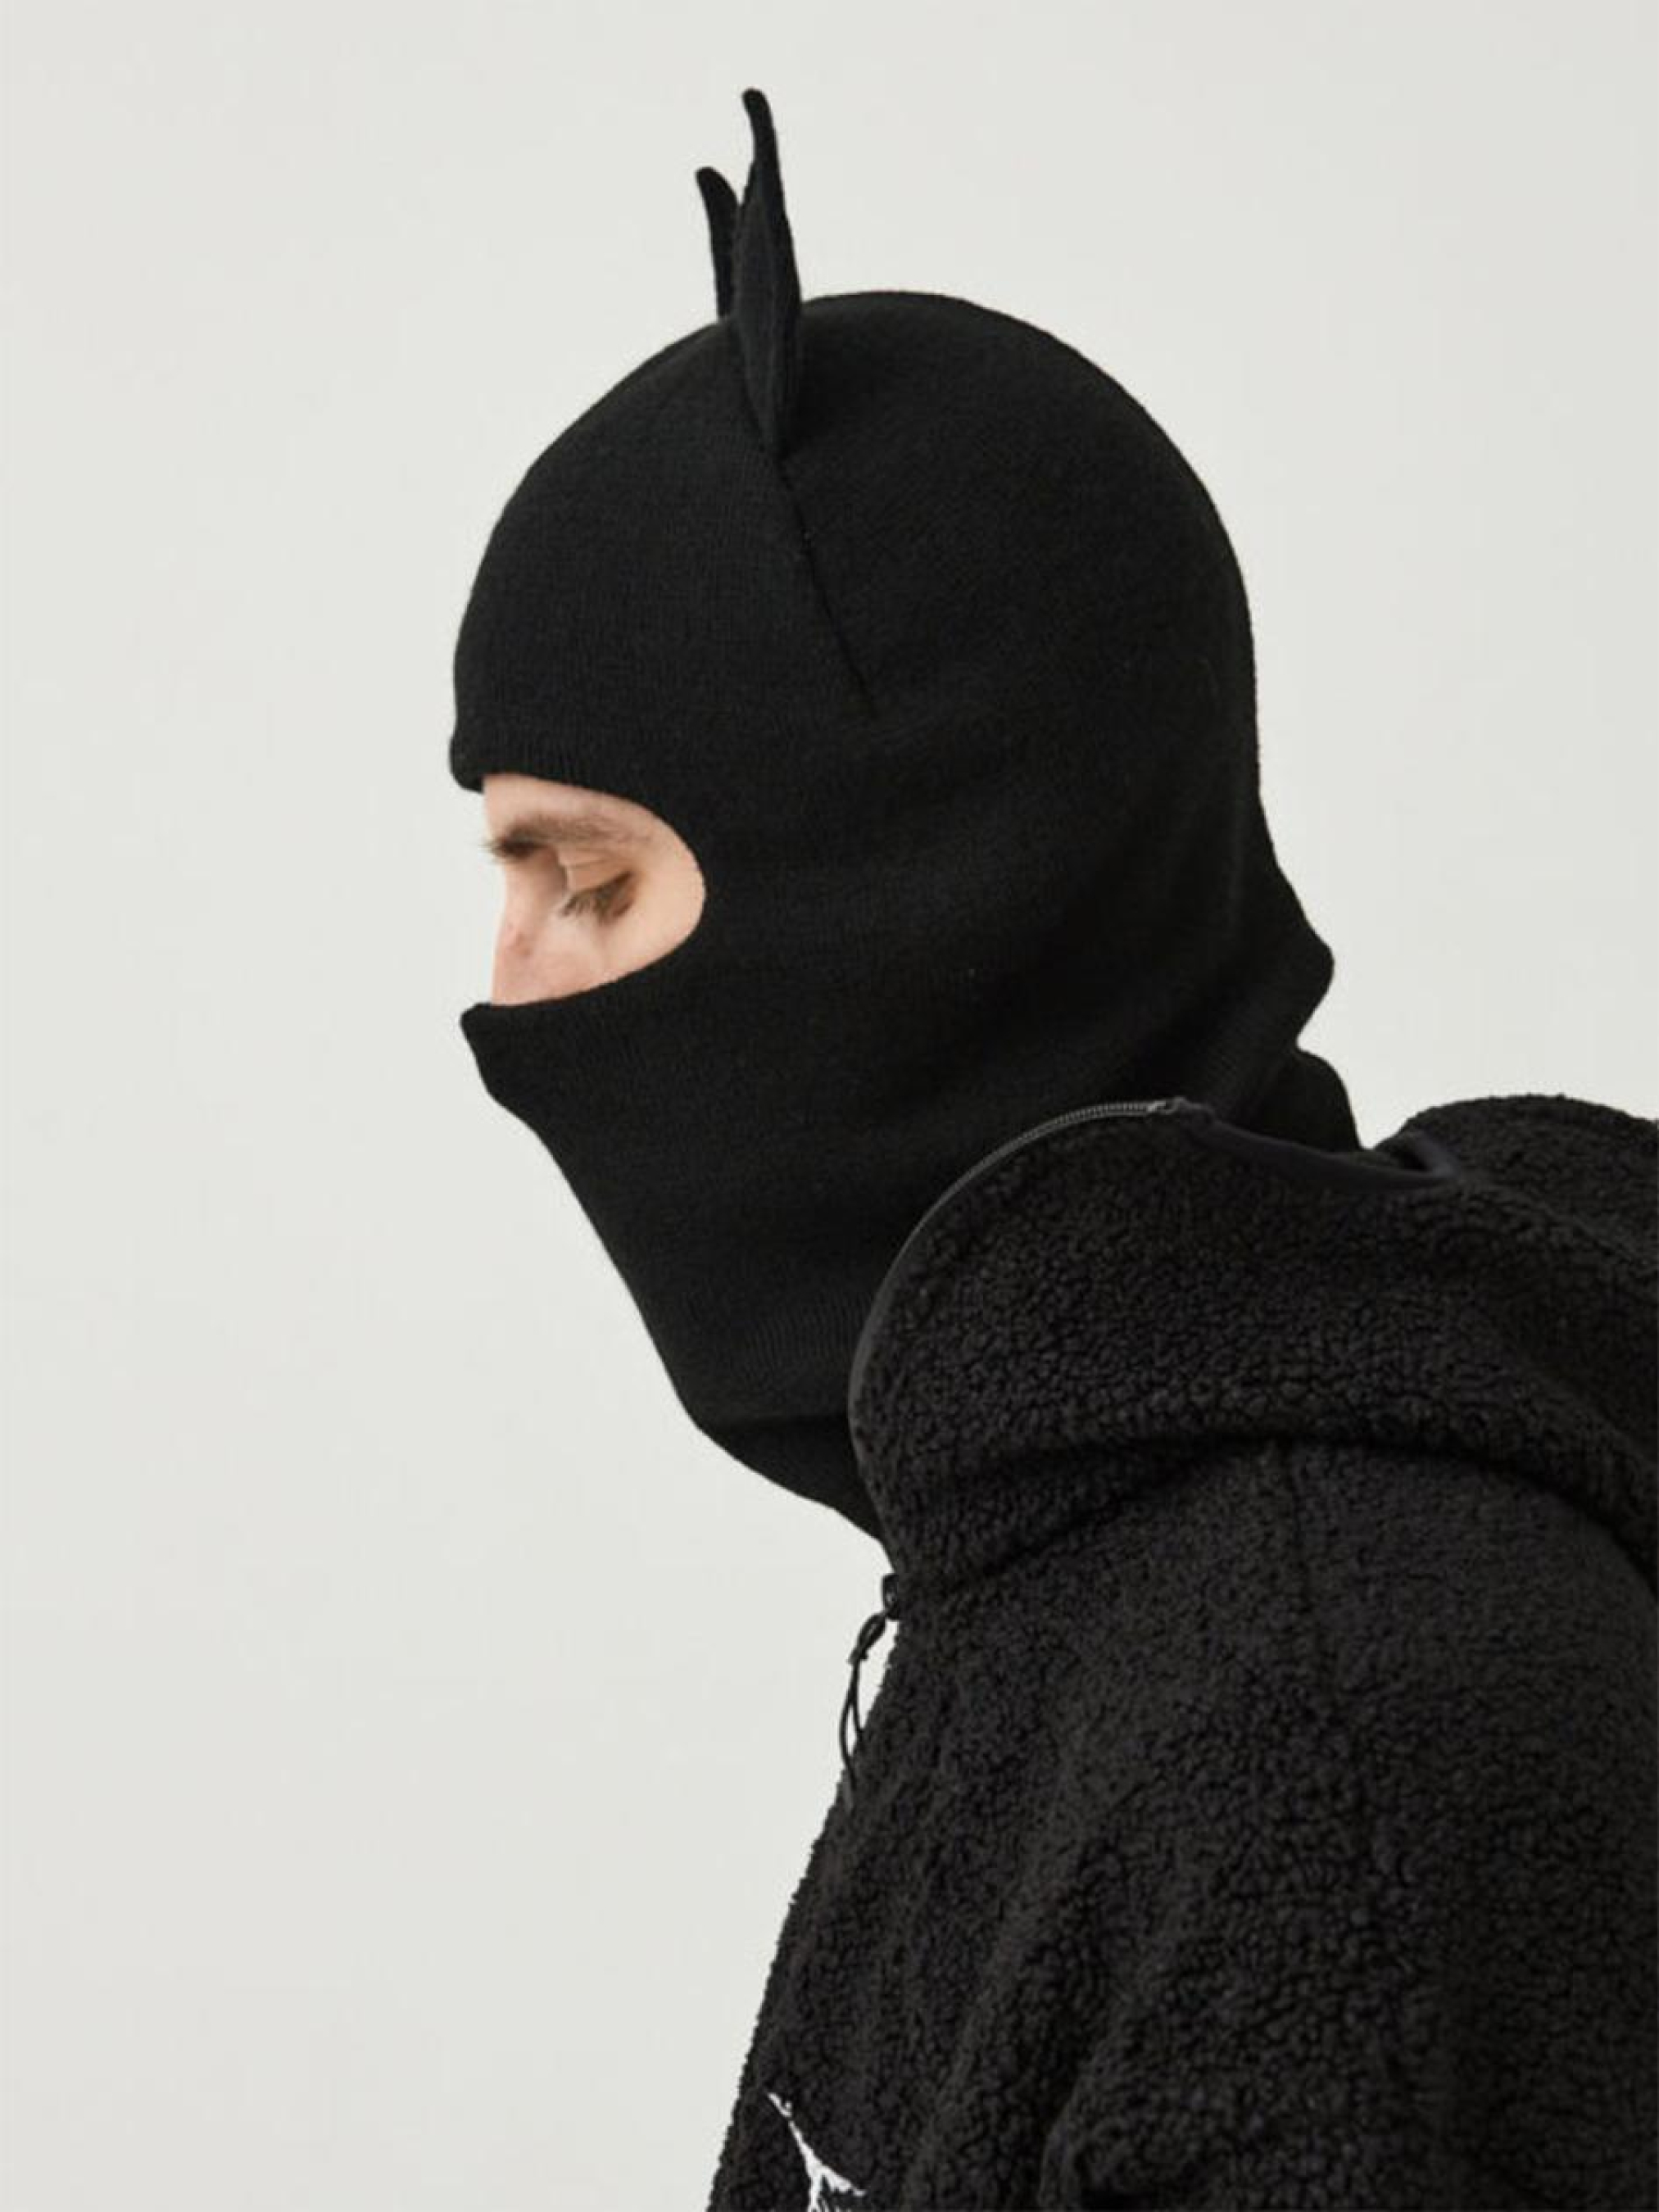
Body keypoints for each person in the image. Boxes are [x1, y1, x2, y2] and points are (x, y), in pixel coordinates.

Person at [447, 87, 1657, 2211]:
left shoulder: (1318, 1743)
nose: (510, 994)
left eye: (593, 880)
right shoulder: (1085, 1560)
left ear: (927, 882)